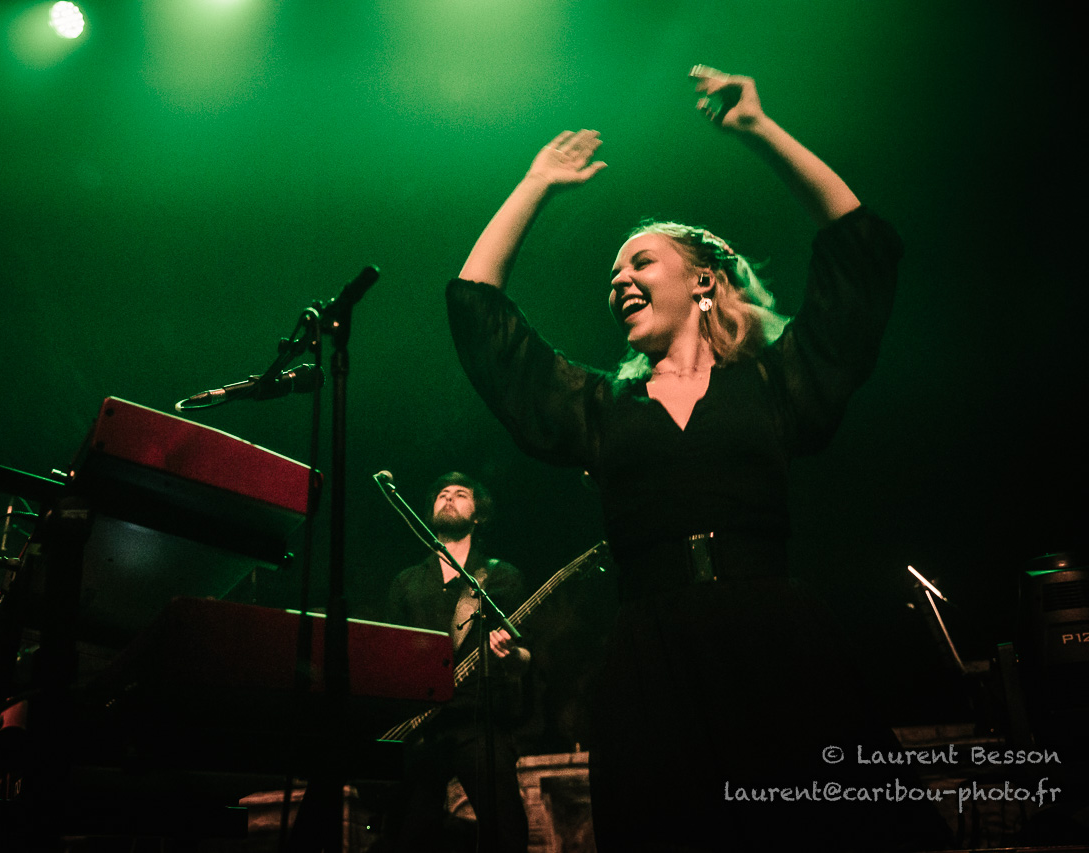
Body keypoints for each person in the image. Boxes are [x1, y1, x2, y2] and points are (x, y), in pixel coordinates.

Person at [446, 67, 948, 851]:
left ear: (703, 280)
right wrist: (535, 184)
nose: (620, 279)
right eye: (614, 273)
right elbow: (480, 311)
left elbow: (859, 247)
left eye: (641, 263)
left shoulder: (775, 383)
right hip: (653, 663)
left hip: (779, 645)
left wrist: (759, 129)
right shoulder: (601, 408)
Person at [382, 472, 530, 853]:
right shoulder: (406, 582)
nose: (448, 498)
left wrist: (511, 654)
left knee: (506, 828)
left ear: (478, 515)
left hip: (478, 721)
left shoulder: (501, 577)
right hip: (422, 727)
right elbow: (390, 655)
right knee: (406, 835)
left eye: (461, 494)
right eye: (442, 494)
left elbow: (527, 656)